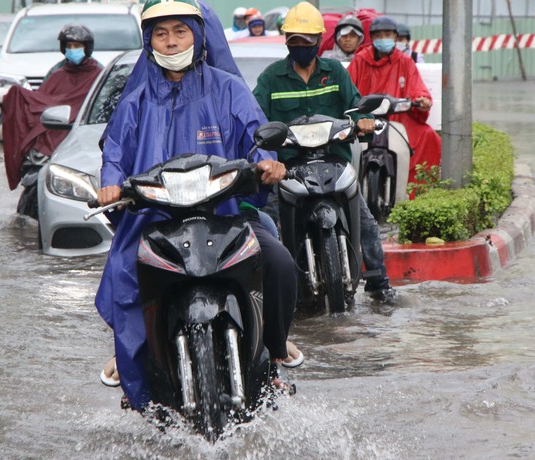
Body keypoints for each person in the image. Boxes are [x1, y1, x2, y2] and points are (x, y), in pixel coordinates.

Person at [96, 0, 299, 410]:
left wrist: (267, 163)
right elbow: (115, 152)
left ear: (199, 34)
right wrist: (110, 185)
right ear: (148, 40)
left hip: (226, 215)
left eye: (180, 31)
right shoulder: (135, 100)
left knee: (278, 261)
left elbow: (256, 134)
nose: (171, 42)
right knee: (123, 270)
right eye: (160, 33)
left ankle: (273, 353)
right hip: (155, 217)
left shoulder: (228, 88)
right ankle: (132, 352)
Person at [252, 1, 396, 303]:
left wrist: (363, 122)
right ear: (286, 40)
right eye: (294, 39)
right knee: (265, 226)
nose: (300, 45)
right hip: (289, 169)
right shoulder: (270, 78)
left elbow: (355, 107)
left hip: (334, 162)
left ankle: (380, 286)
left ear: (319, 40)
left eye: (307, 39)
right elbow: (255, 119)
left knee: (367, 223)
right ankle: (265, 294)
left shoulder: (336, 73)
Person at [1, 24, 103, 215]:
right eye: (69, 45)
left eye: (77, 45)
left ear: (87, 47)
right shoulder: (56, 73)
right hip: (53, 133)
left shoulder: (99, 74)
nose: (73, 50)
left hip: (83, 134)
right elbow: (41, 101)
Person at [347, 16, 441, 188]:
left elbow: (417, 87)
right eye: (379, 35)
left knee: (429, 137)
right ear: (372, 38)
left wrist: (421, 99)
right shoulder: (360, 59)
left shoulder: (404, 61)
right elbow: (348, 89)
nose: (383, 38)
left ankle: (416, 190)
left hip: (399, 118)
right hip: (365, 118)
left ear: (396, 37)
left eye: (388, 34)